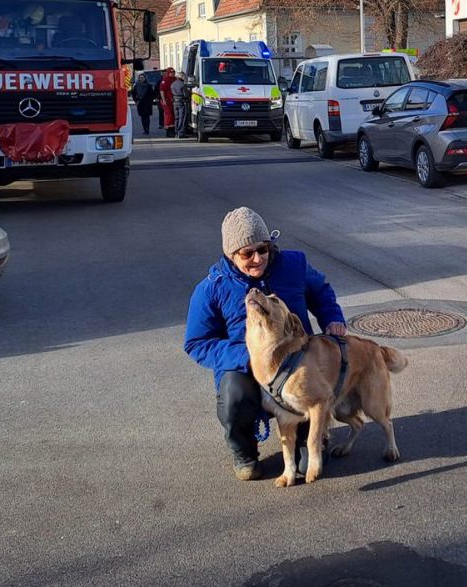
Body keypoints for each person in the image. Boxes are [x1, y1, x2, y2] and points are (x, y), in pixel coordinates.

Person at [184, 207, 347, 481]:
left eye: (263, 249)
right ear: (230, 254)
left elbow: (321, 292)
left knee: (308, 468)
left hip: (295, 363)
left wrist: (332, 319)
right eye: (247, 254)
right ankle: (244, 451)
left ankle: (315, 435)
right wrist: (247, 356)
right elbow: (197, 342)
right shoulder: (213, 287)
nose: (257, 259)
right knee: (234, 394)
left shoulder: (294, 264)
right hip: (245, 369)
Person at [170, 71, 189, 139]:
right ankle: (181, 132)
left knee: (176, 117)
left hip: (175, 101)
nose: (184, 78)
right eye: (183, 76)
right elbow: (185, 95)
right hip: (181, 101)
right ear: (181, 77)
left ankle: (176, 132)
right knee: (182, 117)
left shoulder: (173, 84)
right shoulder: (182, 85)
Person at [158, 68, 176, 137]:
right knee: (168, 115)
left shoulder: (175, 79)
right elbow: (162, 91)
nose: (173, 73)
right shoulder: (165, 80)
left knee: (173, 115)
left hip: (173, 101)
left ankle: (173, 129)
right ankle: (168, 130)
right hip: (167, 101)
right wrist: (164, 100)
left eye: (174, 72)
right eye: (171, 72)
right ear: (168, 73)